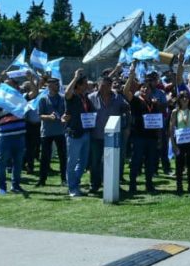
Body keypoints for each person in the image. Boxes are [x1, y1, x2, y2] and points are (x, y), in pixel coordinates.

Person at [123, 71, 165, 194]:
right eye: (143, 88)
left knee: (150, 162)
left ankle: (149, 184)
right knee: (136, 161)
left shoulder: (154, 103)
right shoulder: (135, 100)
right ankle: (132, 185)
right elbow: (125, 92)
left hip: (151, 137)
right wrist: (130, 77)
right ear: (140, 90)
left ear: (151, 91)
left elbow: (158, 120)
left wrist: (159, 137)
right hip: (138, 136)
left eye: (147, 88)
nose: (145, 89)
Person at [87, 74, 126, 194]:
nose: (104, 88)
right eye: (102, 85)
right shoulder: (90, 97)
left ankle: (113, 184)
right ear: (98, 85)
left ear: (110, 86)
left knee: (113, 162)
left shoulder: (118, 98)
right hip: (96, 135)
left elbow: (126, 109)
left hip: (113, 137)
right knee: (95, 162)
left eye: (107, 86)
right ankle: (95, 184)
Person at [0, 79, 27, 195]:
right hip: (5, 136)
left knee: (18, 162)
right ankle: (2, 187)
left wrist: (30, 79)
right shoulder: (0, 101)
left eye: (9, 84)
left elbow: (33, 94)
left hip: (19, 135)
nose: (6, 87)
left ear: (15, 86)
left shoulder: (20, 98)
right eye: (5, 85)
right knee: (2, 162)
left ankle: (16, 185)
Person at [63, 69, 94, 198]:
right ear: (79, 85)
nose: (87, 85)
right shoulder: (72, 96)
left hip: (86, 133)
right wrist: (75, 77)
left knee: (83, 162)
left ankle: (75, 183)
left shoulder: (85, 97)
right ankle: (72, 188)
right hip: (74, 134)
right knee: (72, 162)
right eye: (85, 83)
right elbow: (66, 92)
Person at [36, 76, 67, 187]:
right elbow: (40, 115)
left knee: (63, 157)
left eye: (58, 84)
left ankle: (64, 179)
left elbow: (66, 112)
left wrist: (64, 117)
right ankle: (42, 180)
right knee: (45, 157)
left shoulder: (63, 98)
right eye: (56, 84)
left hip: (60, 132)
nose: (58, 86)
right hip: (47, 132)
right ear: (49, 86)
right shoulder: (43, 99)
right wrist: (49, 117)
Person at [170, 91, 190, 194]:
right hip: (180, 142)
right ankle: (179, 185)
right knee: (179, 164)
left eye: (186, 97)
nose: (185, 99)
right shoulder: (175, 112)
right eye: (182, 97)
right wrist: (173, 144)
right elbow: (171, 128)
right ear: (179, 99)